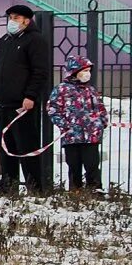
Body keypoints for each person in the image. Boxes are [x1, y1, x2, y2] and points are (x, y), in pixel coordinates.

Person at [0, 4, 52, 195]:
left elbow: (40, 72)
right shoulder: (5, 40)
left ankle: (35, 189)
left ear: (26, 20)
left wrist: (30, 96)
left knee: (26, 149)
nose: (12, 21)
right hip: (3, 104)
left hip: (22, 106)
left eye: (16, 18)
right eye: (10, 17)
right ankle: (8, 189)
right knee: (7, 150)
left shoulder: (35, 40)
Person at [48, 56, 108, 193]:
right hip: (71, 137)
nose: (87, 74)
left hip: (91, 136)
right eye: (84, 70)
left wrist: (101, 122)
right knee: (74, 165)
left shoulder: (90, 90)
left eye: (88, 70)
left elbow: (100, 108)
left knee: (92, 164)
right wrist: (65, 125)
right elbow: (52, 109)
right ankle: (76, 192)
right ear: (74, 72)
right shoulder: (61, 90)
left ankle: (95, 191)